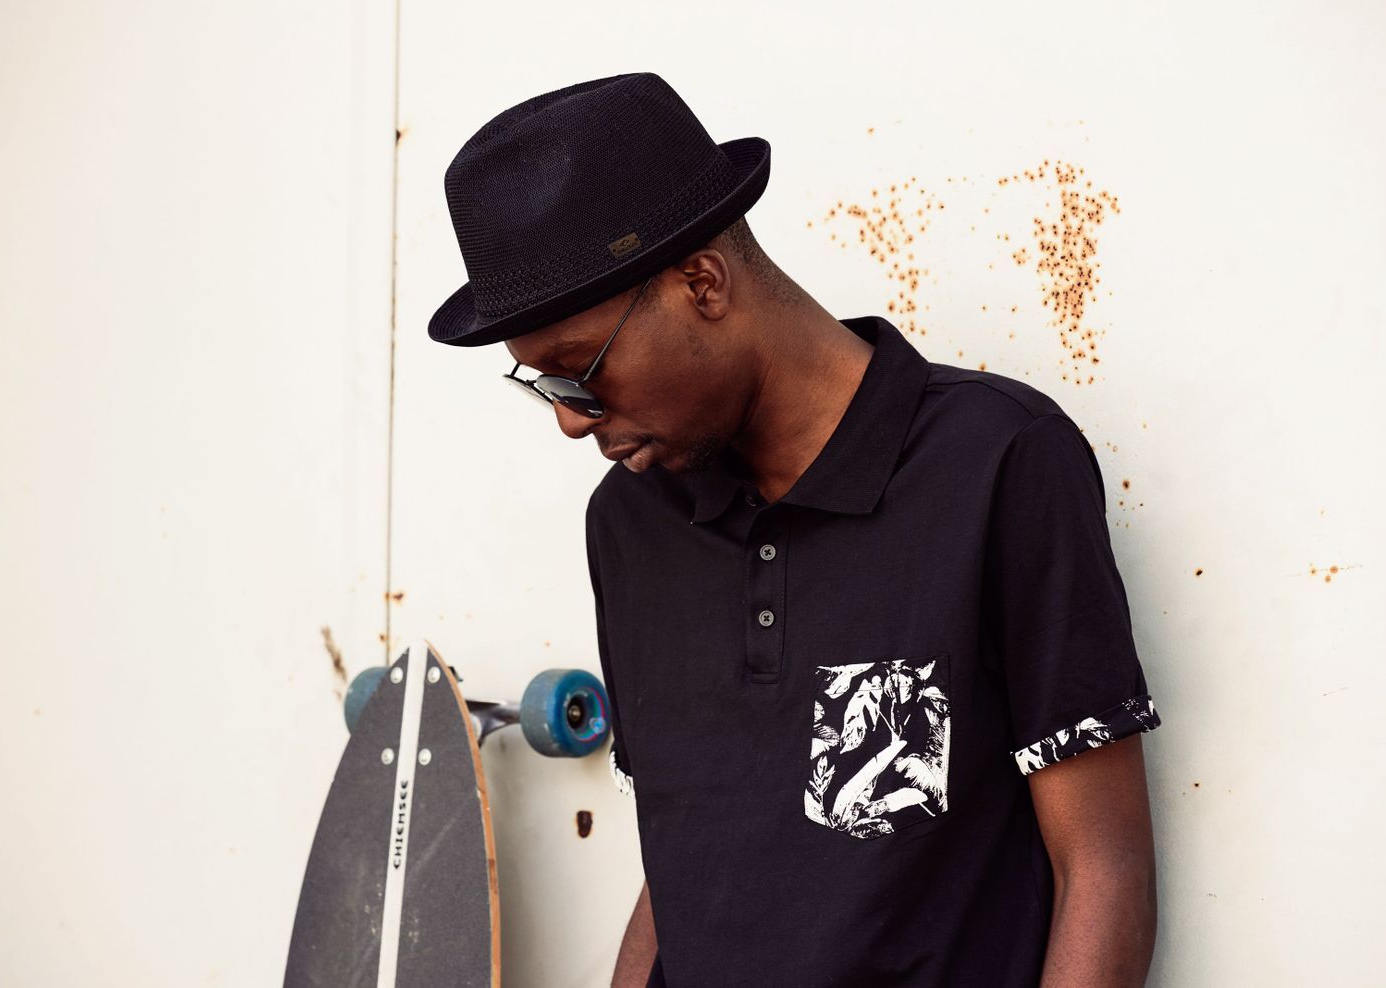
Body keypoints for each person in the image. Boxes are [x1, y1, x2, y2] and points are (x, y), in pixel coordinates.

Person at [429, 71, 1162, 988]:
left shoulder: (999, 465)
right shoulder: (629, 522)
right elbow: (683, 863)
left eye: (580, 371)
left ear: (702, 282)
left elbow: (1103, 865)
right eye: (541, 383)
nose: (572, 420)